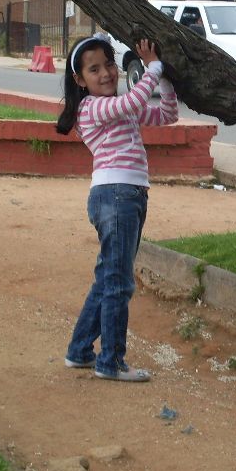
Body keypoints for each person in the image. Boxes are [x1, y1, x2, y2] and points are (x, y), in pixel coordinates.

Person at [55, 34, 178, 382]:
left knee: (108, 280)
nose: (107, 73)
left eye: (109, 64)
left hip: (129, 196)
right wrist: (153, 68)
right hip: (116, 196)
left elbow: (167, 115)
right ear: (79, 80)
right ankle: (110, 362)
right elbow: (131, 103)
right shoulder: (92, 108)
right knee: (119, 284)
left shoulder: (119, 104)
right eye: (94, 69)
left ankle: (79, 351)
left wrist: (165, 79)